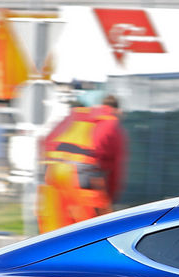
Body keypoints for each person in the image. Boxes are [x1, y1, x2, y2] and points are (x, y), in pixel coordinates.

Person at [37, 89, 127, 233]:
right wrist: (109, 198)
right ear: (116, 109)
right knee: (92, 231)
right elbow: (115, 168)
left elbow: (45, 141)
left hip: (52, 171)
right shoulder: (111, 122)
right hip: (81, 174)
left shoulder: (73, 116)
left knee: (53, 232)